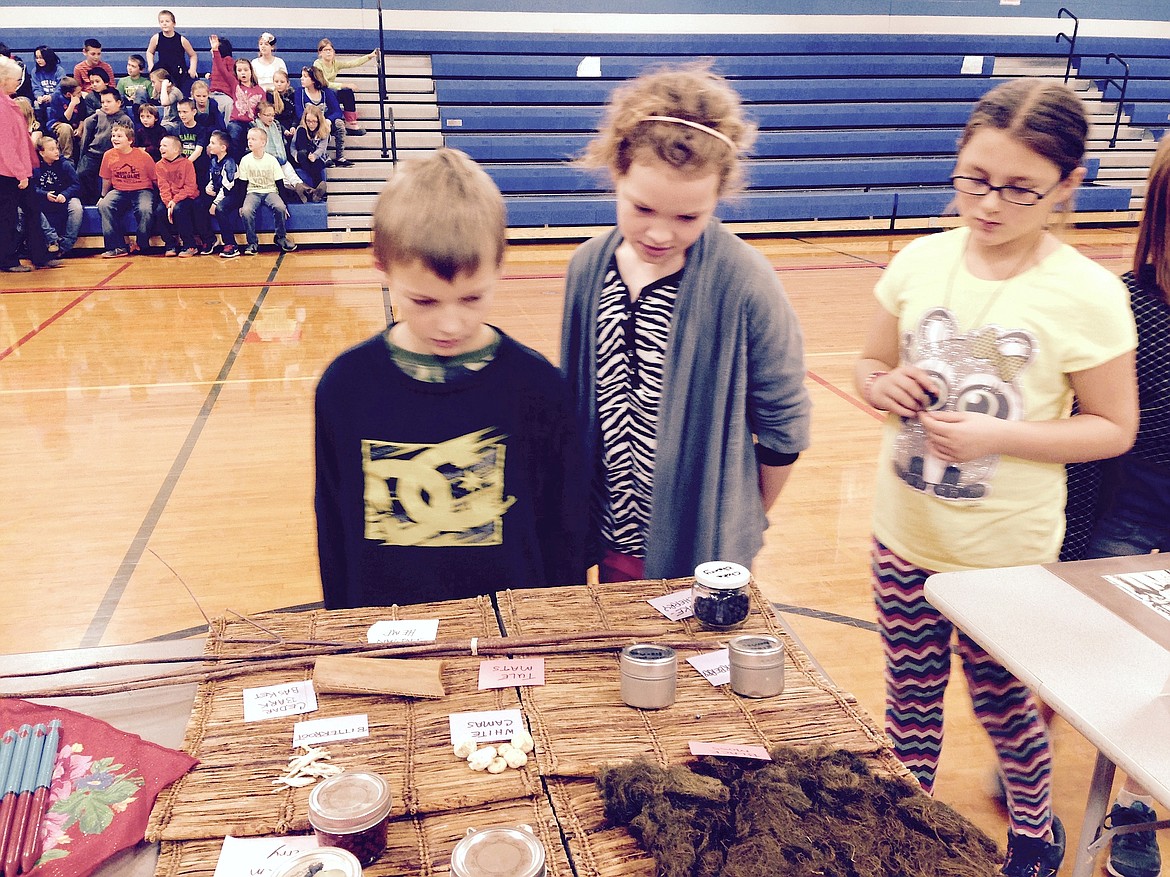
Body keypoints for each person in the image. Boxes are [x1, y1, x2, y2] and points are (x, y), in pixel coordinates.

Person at [853, 79, 1138, 877]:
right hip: (904, 535)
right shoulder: (919, 260)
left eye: (1020, 190)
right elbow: (871, 363)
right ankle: (905, 829)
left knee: (1006, 708)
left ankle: (1036, 836)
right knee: (908, 698)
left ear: (1068, 186)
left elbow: (1113, 427)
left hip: (1004, 558)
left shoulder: (1087, 293)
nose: (988, 204)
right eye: (974, 178)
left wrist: (999, 434)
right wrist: (884, 387)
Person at [560, 65, 811, 584]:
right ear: (616, 174)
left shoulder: (745, 281)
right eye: (643, 207)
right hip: (607, 537)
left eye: (687, 217)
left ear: (718, 197)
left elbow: (784, 421)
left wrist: (735, 516)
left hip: (700, 543)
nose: (659, 233)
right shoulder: (588, 267)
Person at [314, 147, 587, 609]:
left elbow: (565, 533)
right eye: (424, 301)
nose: (451, 324)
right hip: (392, 639)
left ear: (501, 265)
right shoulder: (344, 389)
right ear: (381, 266)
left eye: (472, 297)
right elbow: (334, 532)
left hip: (512, 642)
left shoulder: (538, 389)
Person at [1071, 135, 1170, 877]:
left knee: (1155, 676)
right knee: (1078, 652)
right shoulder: (1123, 306)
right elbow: (1090, 429)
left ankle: (1134, 802)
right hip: (1125, 514)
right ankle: (1026, 757)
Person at [0, 55, 61, 273]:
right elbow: (6, 146)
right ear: (4, 80)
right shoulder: (2, 107)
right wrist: (20, 174)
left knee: (33, 211)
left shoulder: (8, 102)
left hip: (20, 170)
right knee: (7, 217)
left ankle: (39, 255)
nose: (18, 83)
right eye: (15, 79)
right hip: (9, 174)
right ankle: (7, 260)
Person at [96, 120, 158, 257]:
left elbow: (155, 179)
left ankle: (141, 244)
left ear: (130, 140)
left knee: (145, 209)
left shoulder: (143, 156)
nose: (115, 138)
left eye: (119, 136)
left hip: (142, 189)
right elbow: (106, 179)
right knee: (104, 205)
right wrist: (102, 196)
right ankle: (117, 247)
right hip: (120, 191)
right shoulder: (108, 155)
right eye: (113, 136)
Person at [236, 126, 297, 254]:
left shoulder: (271, 160)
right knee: (247, 211)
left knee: (279, 207)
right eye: (248, 139)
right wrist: (241, 204)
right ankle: (252, 243)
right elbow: (242, 184)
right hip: (253, 192)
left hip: (270, 191)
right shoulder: (245, 160)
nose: (250, 142)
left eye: (253, 139)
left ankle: (280, 237)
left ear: (263, 143)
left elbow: (279, 183)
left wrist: (284, 204)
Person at [210, 34, 264, 159]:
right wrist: (215, 50)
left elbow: (262, 109)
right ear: (236, 73)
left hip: (252, 122)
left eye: (245, 70)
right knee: (233, 129)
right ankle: (234, 163)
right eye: (239, 71)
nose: (243, 73)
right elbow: (221, 69)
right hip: (237, 122)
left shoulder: (259, 90)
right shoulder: (235, 85)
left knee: (257, 133)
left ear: (251, 71)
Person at [76, 86, 132, 205]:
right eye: (102, 102)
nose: (105, 105)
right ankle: (90, 203)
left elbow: (130, 141)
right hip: (94, 153)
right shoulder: (96, 117)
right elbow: (86, 139)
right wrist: (83, 155)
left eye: (108, 102)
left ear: (118, 103)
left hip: (115, 156)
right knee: (82, 173)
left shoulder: (125, 119)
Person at [313, 38, 376, 138]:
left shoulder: (335, 63)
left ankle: (351, 124)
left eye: (330, 50)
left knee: (347, 92)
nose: (328, 52)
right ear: (320, 53)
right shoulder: (317, 64)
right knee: (336, 90)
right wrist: (344, 84)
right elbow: (324, 83)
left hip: (332, 91)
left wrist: (369, 56)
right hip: (322, 92)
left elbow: (351, 63)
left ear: (334, 52)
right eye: (325, 50)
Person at [34, 136, 82, 257]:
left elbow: (76, 185)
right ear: (42, 152)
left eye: (56, 148)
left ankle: (65, 246)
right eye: (51, 149)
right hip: (43, 198)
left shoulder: (65, 164)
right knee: (30, 206)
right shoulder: (35, 167)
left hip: (64, 196)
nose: (56, 151)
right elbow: (31, 188)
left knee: (76, 208)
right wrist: (44, 194)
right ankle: (52, 239)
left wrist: (64, 194)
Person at [155, 133, 198, 256]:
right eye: (160, 145)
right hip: (169, 199)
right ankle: (170, 243)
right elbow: (163, 187)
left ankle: (190, 245)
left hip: (187, 197)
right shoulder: (159, 165)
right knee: (159, 211)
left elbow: (190, 187)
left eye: (165, 145)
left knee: (179, 210)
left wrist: (175, 201)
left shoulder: (187, 164)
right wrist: (168, 203)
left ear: (175, 150)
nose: (161, 148)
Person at [295, 66, 347, 167]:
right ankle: (322, 156)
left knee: (339, 124)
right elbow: (299, 113)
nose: (302, 79)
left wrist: (328, 120)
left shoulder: (326, 92)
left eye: (305, 77)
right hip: (308, 123)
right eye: (302, 76)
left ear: (314, 79)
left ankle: (340, 156)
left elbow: (337, 111)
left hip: (324, 123)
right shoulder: (299, 92)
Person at [251, 100, 302, 198]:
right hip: (266, 161)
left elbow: (281, 142)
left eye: (273, 115)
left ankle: (309, 192)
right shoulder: (254, 126)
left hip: (281, 158)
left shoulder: (276, 124)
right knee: (285, 180)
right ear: (259, 115)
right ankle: (306, 192)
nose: (271, 118)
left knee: (293, 176)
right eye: (268, 115)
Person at [206, 129, 243, 257]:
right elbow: (213, 178)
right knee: (198, 203)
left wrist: (215, 203)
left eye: (212, 143)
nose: (209, 145)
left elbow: (227, 188)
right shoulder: (214, 160)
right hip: (220, 192)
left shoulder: (230, 163)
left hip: (234, 194)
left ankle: (231, 244)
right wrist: (208, 188)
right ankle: (209, 239)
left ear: (223, 147)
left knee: (220, 209)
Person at [146, 9, 198, 96]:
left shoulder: (181, 39)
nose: (164, 23)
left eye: (167, 21)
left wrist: (192, 69)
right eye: (161, 22)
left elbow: (193, 55)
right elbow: (150, 52)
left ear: (174, 23)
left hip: (179, 71)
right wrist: (151, 64)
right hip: (163, 70)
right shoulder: (156, 38)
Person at [292, 103, 329, 202]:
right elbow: (293, 146)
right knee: (302, 152)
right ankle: (318, 190)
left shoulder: (324, 130)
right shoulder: (301, 128)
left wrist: (315, 155)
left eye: (314, 122)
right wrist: (295, 155)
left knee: (316, 163)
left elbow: (322, 148)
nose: (311, 124)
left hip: (315, 157)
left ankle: (315, 191)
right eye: (308, 121)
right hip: (302, 154)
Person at [47, 75, 84, 159]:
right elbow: (64, 119)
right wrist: (72, 104)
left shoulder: (80, 98)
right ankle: (67, 158)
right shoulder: (56, 98)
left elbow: (83, 116)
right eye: (78, 93)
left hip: (75, 124)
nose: (80, 94)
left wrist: (79, 129)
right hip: (57, 123)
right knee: (66, 128)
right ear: (68, 94)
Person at [30, 46, 63, 128]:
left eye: (41, 58)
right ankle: (41, 128)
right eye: (37, 58)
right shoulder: (35, 71)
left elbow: (61, 87)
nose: (38, 60)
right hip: (43, 99)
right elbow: (36, 87)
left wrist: (51, 97)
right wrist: (39, 97)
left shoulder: (59, 71)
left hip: (56, 99)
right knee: (36, 104)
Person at [206, 36, 235, 121]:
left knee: (229, 104)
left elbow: (228, 75)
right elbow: (218, 75)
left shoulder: (228, 60)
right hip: (213, 92)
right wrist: (211, 76)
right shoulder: (215, 62)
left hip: (223, 93)